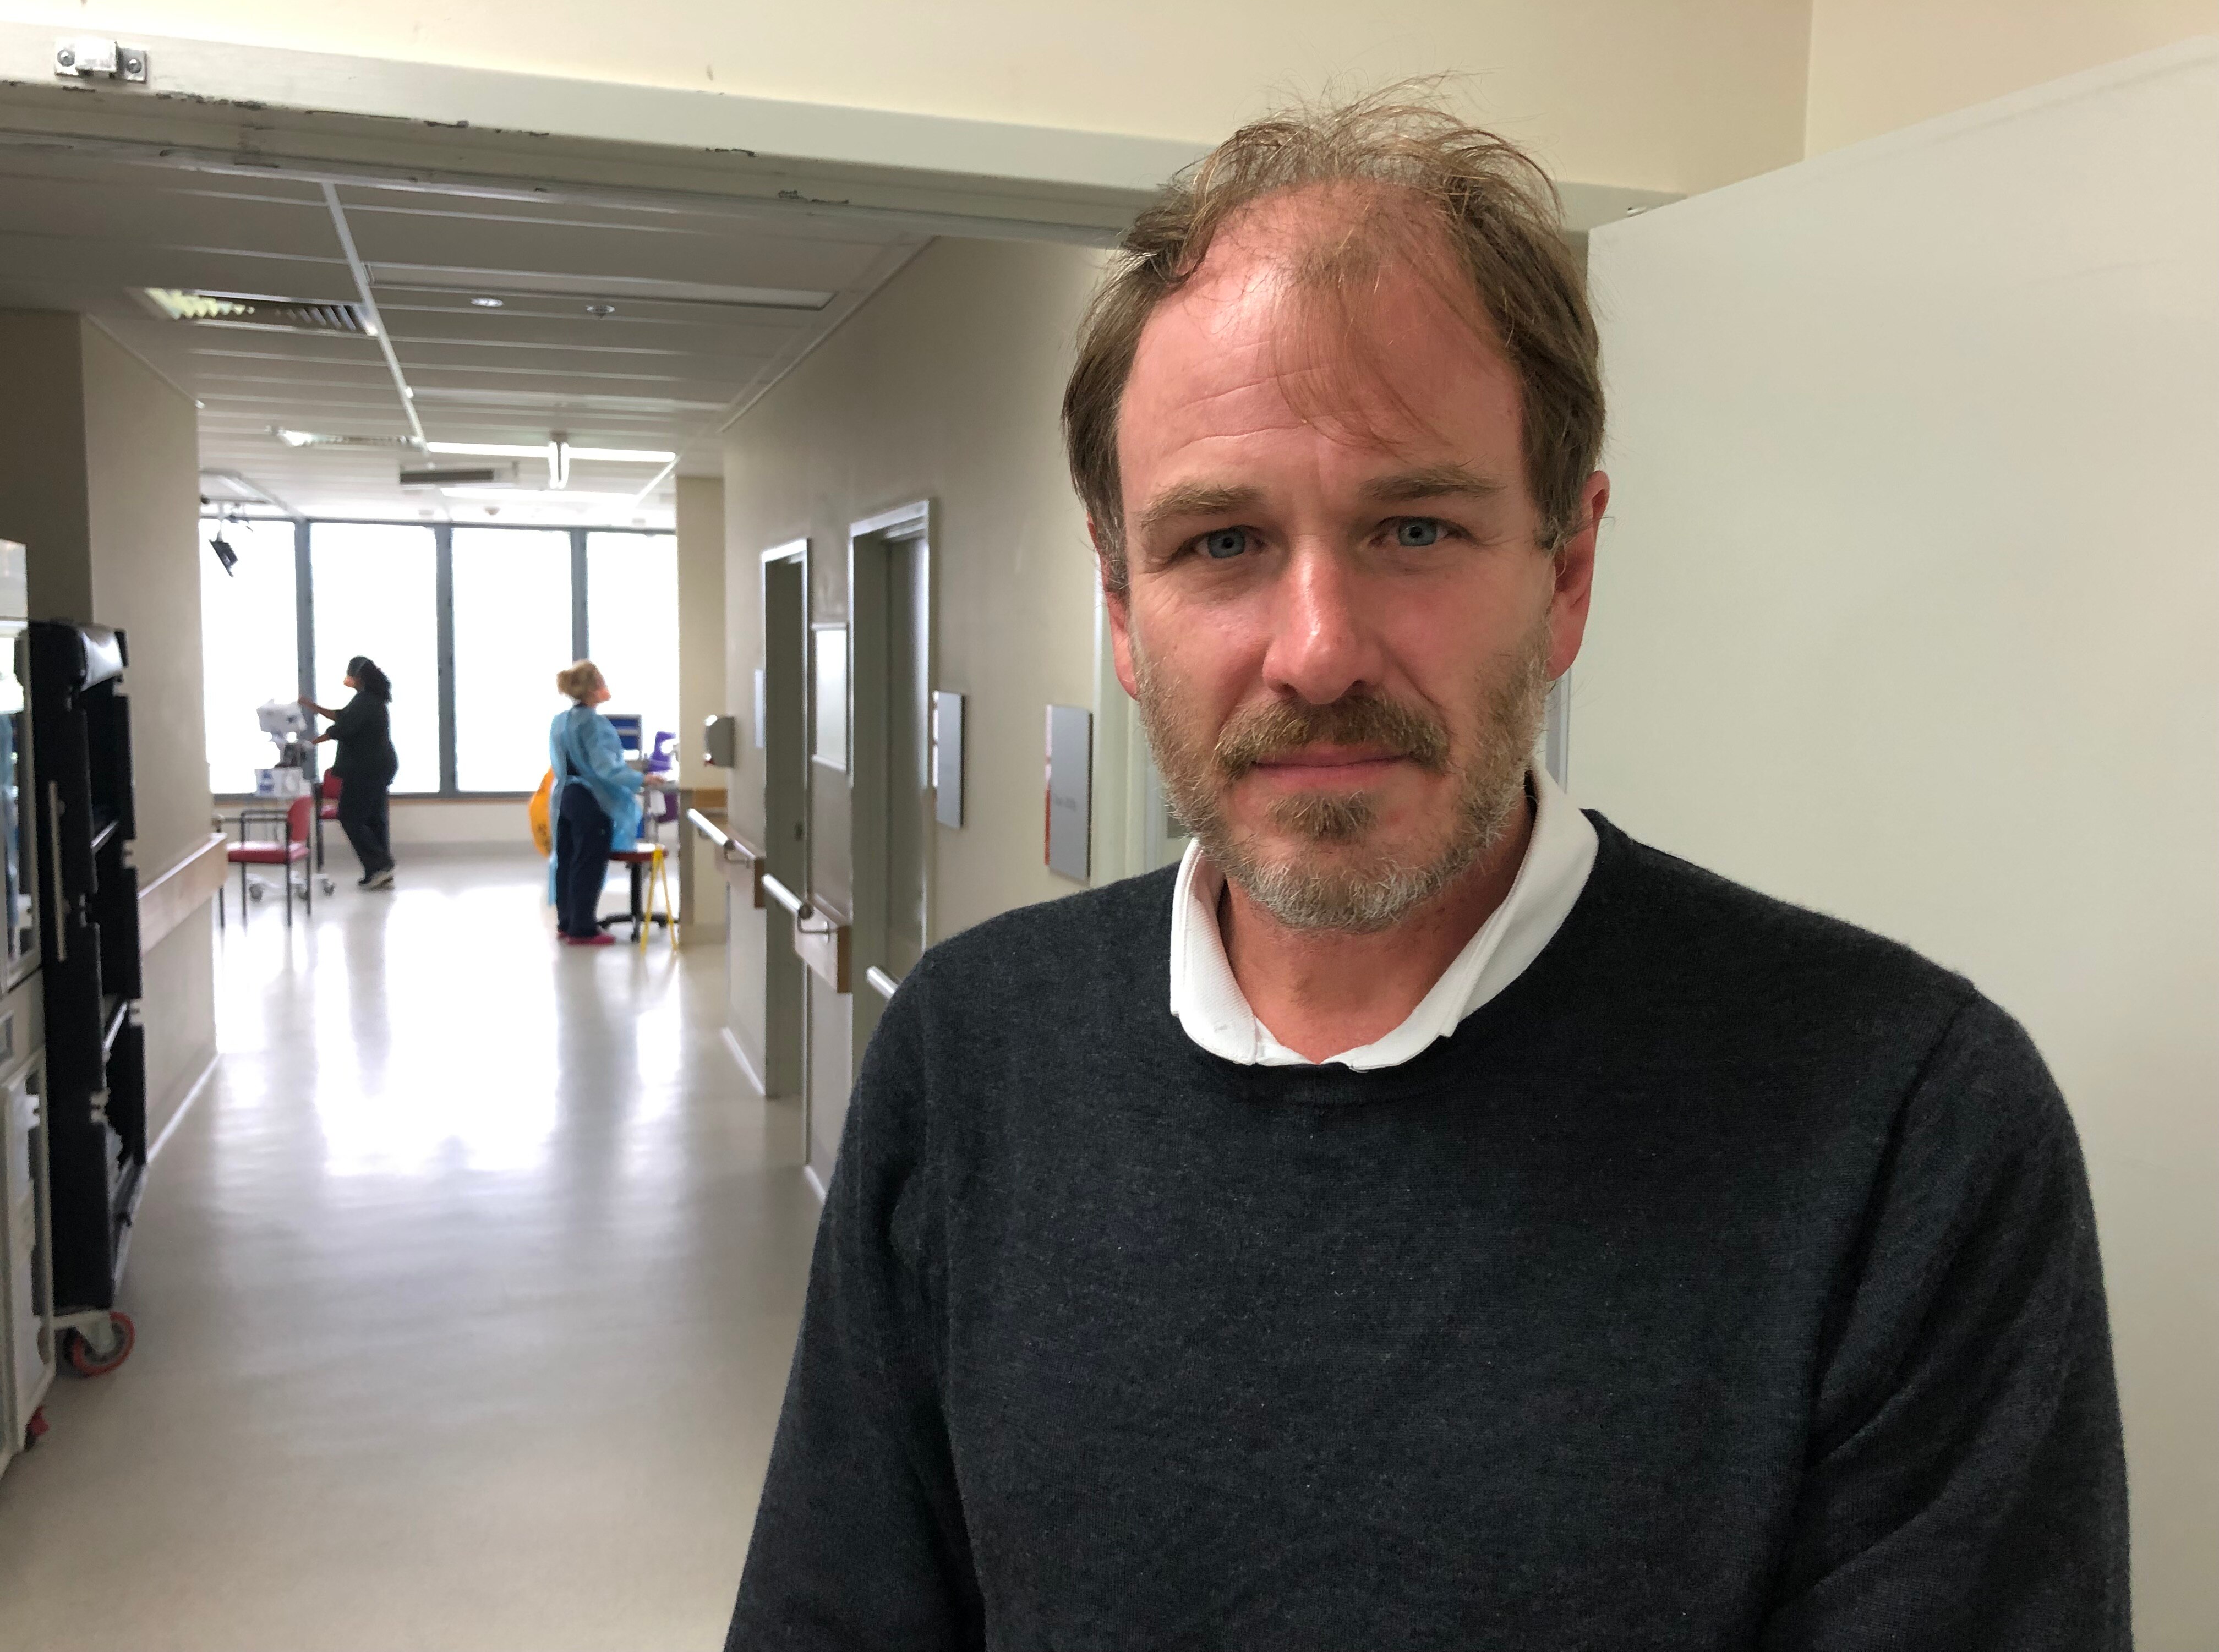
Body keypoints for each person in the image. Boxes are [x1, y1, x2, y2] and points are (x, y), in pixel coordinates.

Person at [727, 94, 2130, 1649]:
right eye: (1221, 545)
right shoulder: (972, 1050)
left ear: (1568, 573)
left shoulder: (1906, 1127)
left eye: (1412, 528)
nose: (1318, 652)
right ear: (1123, 612)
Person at [548, 660, 658, 947]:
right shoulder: (594, 724)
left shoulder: (561, 721)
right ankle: (583, 930)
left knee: (568, 860)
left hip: (565, 798)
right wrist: (642, 780)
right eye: (600, 680)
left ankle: (568, 922)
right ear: (592, 687)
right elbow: (605, 767)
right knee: (588, 862)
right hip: (588, 802)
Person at [302, 655, 397, 889]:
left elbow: (341, 728)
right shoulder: (369, 700)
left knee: (350, 816)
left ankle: (381, 863)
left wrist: (311, 743)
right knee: (374, 819)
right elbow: (342, 716)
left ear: (359, 677)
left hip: (366, 770)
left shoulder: (366, 701)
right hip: (379, 767)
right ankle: (378, 871)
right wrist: (313, 708)